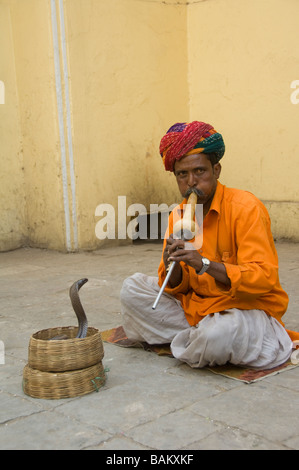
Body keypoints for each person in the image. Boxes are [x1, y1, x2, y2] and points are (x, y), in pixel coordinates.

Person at [120, 121, 298, 370]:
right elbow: (172, 288)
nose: (191, 182)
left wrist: (203, 264)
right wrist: (174, 264)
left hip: (243, 310)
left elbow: (263, 278)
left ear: (216, 170)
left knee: (218, 334)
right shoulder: (178, 215)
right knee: (132, 289)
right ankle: (201, 340)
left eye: (200, 172)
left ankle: (210, 339)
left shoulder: (246, 208)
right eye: (183, 174)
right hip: (198, 308)